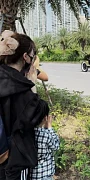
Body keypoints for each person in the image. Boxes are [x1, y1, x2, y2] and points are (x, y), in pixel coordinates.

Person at [0, 30, 50, 180]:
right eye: (33, 55)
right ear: (25, 57)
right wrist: (32, 83)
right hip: (11, 162)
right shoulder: (21, 89)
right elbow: (39, 111)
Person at [29, 115, 60, 180]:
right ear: (45, 118)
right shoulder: (45, 135)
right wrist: (49, 126)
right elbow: (56, 146)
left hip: (31, 175)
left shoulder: (26, 134)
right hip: (45, 175)